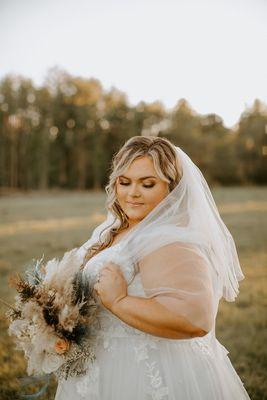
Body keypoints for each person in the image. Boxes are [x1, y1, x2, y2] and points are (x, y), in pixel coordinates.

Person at [55, 136, 251, 399]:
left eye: (147, 184)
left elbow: (196, 318)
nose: (132, 193)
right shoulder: (113, 228)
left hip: (145, 372)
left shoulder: (170, 238)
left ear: (172, 188)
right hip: (98, 367)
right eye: (125, 182)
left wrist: (120, 301)